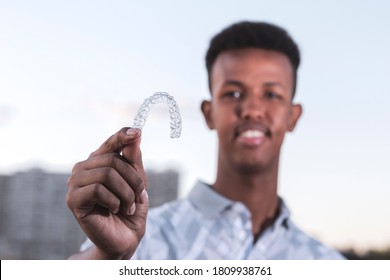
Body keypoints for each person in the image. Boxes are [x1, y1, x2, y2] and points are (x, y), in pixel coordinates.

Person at [66, 21, 345, 259]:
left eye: (271, 94)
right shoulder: (141, 240)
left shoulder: (326, 263)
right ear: (208, 114)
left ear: (293, 117)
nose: (252, 110)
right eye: (233, 93)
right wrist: (106, 258)